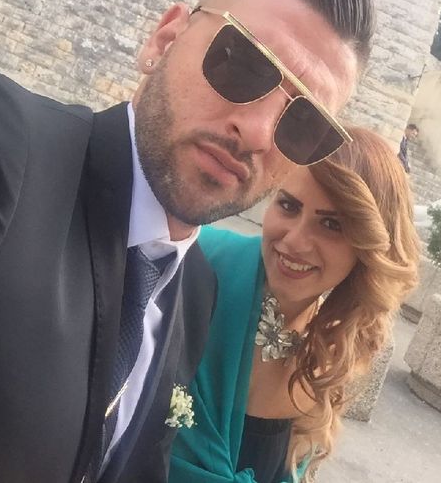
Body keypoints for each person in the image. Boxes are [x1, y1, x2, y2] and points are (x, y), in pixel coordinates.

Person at [0, 0, 374, 481]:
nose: (257, 132)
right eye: (244, 64)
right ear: (165, 38)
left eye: (304, 124)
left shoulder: (195, 290)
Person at [169, 127, 420, 483]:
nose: (295, 241)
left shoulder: (328, 350)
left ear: (368, 249)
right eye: (289, 206)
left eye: (331, 224)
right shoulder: (190, 264)